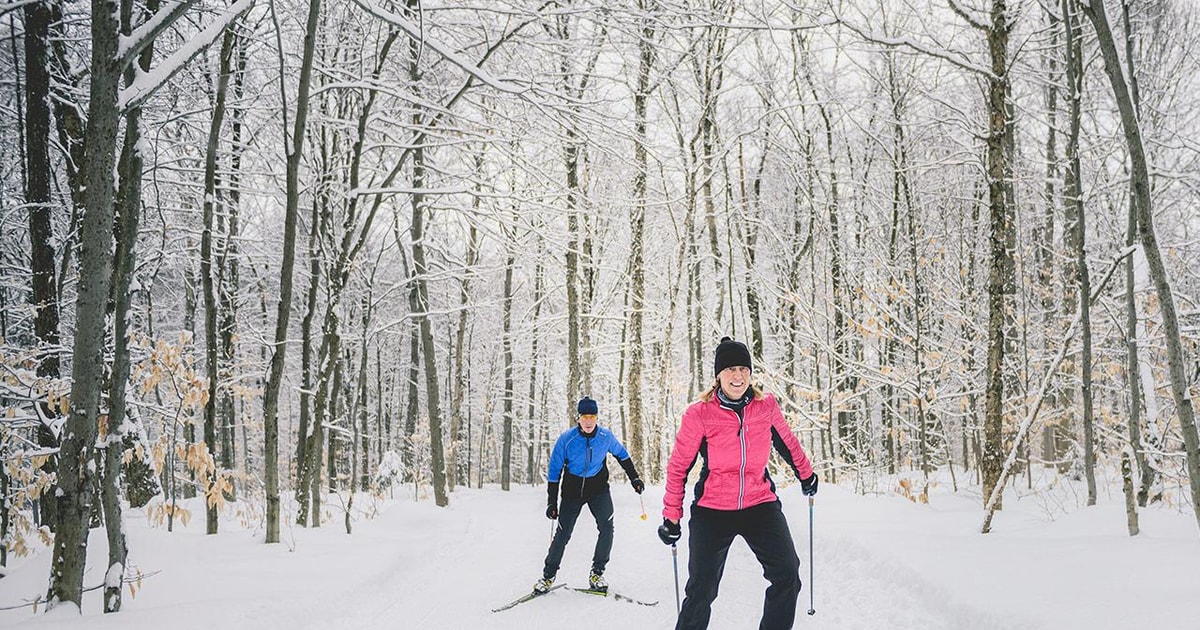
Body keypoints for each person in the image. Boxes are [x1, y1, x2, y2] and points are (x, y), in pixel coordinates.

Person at [658, 337, 819, 630]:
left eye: (743, 369)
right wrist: (672, 517)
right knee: (702, 589)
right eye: (730, 369)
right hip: (713, 509)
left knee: (787, 574)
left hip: (760, 504)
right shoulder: (700, 414)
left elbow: (788, 443)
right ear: (718, 375)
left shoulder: (765, 406)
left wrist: (806, 475)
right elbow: (679, 466)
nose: (738, 376)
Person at [535, 396, 645, 594]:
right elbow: (554, 472)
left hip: (598, 489)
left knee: (607, 527)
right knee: (562, 534)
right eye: (584, 416)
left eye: (592, 416)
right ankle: (547, 577)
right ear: (578, 418)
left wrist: (634, 479)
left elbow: (622, 455)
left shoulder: (605, 437)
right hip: (572, 491)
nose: (588, 421)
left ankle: (597, 573)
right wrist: (552, 503)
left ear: (596, 418)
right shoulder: (566, 440)